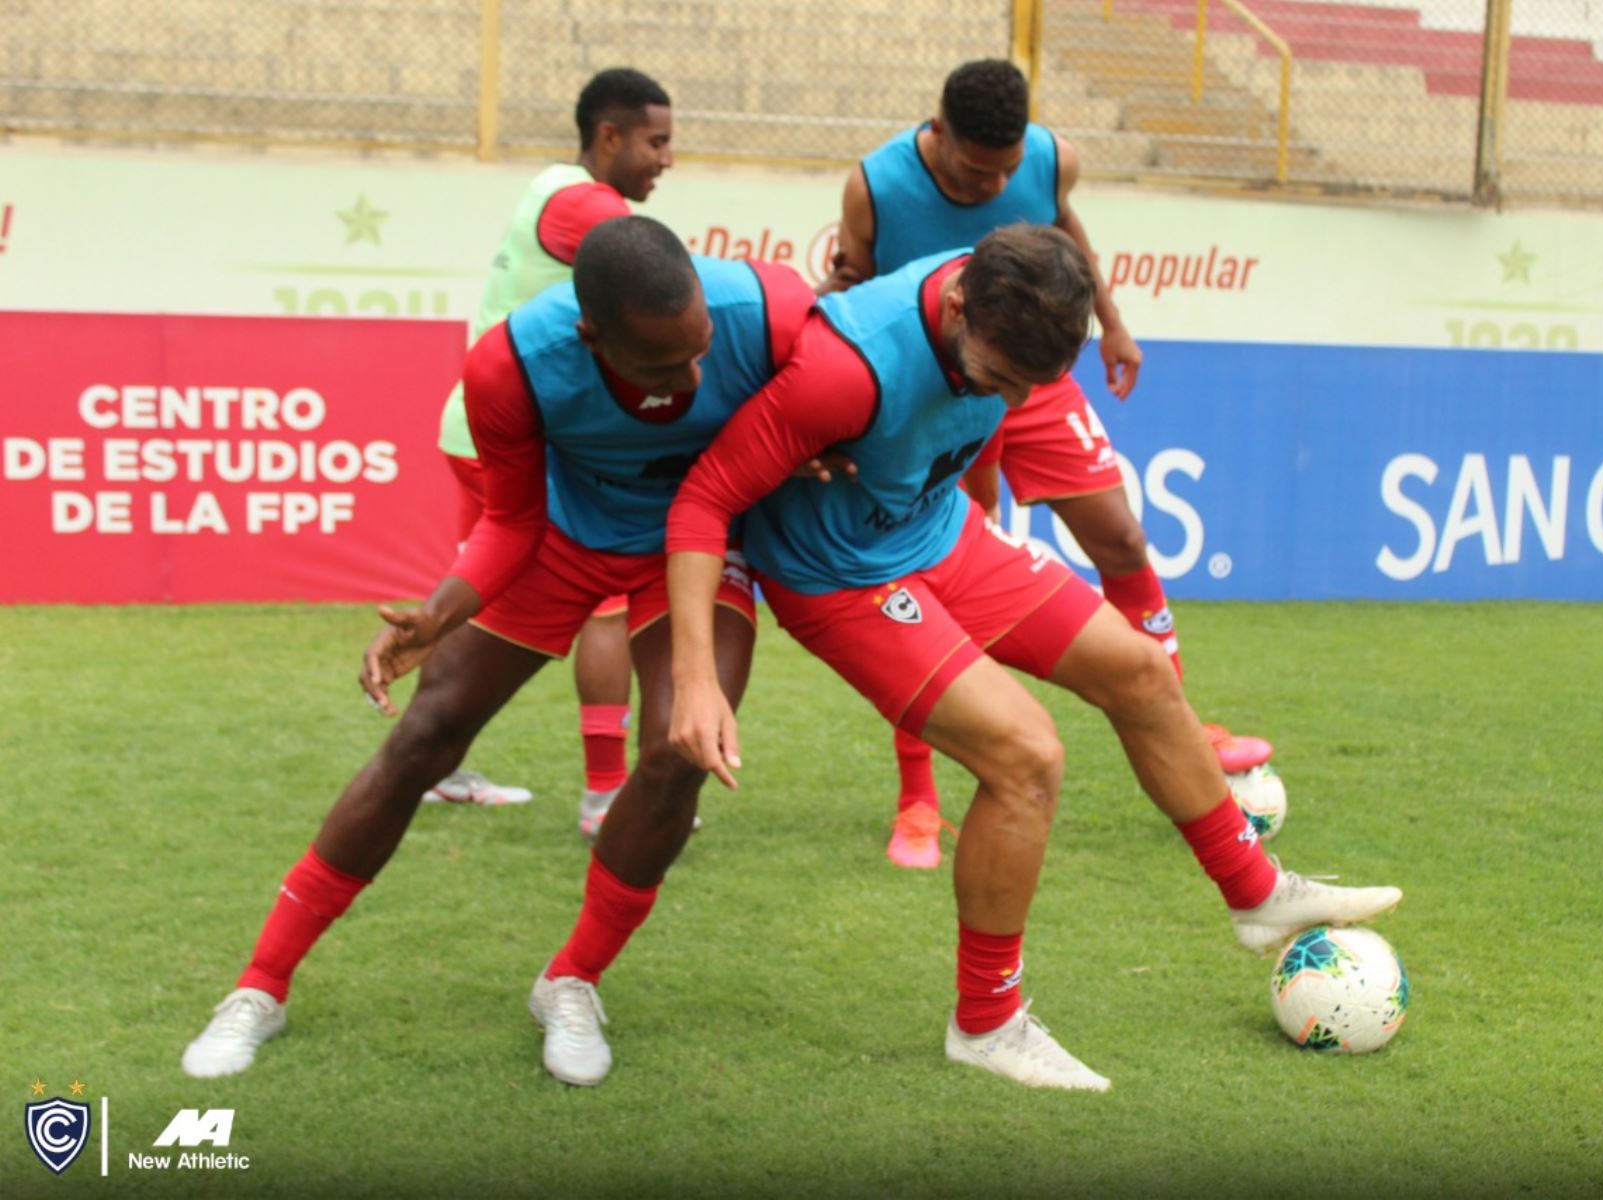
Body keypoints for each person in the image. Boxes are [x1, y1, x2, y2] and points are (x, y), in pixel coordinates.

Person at [643, 224, 1402, 1092]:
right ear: (958, 301)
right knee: (1027, 757)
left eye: (1026, 386)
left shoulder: (1008, 312)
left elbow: (972, 420)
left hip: (936, 531)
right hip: (840, 575)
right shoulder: (846, 369)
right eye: (997, 378)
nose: (1006, 395)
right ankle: (987, 1022)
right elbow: (705, 501)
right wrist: (697, 679)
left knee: (1141, 672)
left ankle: (1254, 892)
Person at [180, 218, 814, 1079]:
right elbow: (511, 521)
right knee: (426, 732)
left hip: (695, 551)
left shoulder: (772, 310)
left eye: (700, 349)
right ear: (593, 337)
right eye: (663, 367)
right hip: (560, 538)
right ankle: (259, 986)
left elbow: (841, 398)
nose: (694, 377)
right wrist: (437, 616)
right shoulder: (511, 365)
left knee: (677, 749)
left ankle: (572, 981)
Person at [824, 59, 1187, 870]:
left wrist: (1115, 324)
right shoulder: (875, 186)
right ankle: (917, 799)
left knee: (1122, 541)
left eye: (1009, 166)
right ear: (939, 130)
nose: (996, 181)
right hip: (934, 393)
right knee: (926, 586)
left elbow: (1070, 238)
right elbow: (852, 289)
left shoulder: (1052, 158)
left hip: (1031, 376)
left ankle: (1177, 721)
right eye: (976, 168)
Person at [428, 67, 673, 839]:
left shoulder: (552, 188)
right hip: (503, 438)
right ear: (611, 136)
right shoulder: (584, 206)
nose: (667, 158)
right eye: (656, 141)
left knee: (478, 597)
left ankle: (436, 765)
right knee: (603, 603)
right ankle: (606, 798)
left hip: (479, 427)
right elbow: (671, 291)